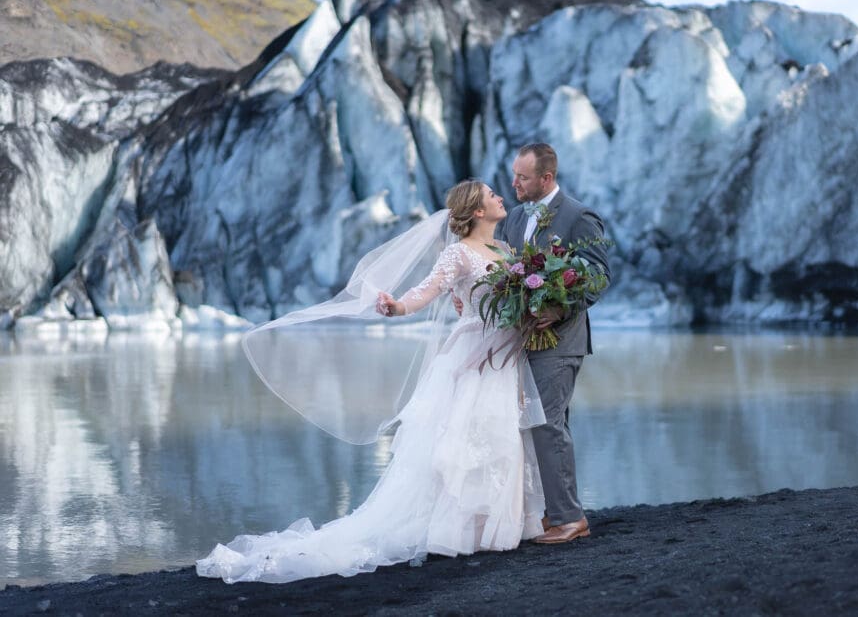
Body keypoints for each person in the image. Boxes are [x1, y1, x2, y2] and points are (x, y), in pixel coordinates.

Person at [196, 180, 547, 583]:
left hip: (506, 355)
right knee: (466, 441)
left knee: (501, 435)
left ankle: (497, 525)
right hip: (472, 357)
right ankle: (459, 529)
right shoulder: (458, 254)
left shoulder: (505, 251)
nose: (500, 196)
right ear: (478, 211)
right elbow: (426, 291)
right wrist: (397, 307)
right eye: (491, 195)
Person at [492, 142, 608, 544]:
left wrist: (559, 311)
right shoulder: (513, 219)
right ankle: (552, 512)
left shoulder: (578, 217)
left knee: (547, 425)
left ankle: (569, 519)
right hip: (523, 340)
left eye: (522, 177)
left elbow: (598, 276)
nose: (514, 183)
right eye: (514, 175)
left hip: (561, 339)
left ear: (546, 178)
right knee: (541, 426)